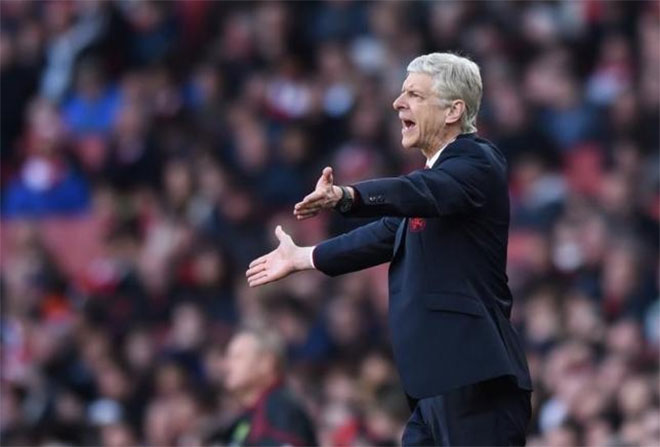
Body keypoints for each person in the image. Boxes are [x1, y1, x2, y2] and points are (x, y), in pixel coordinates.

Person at [246, 52, 533, 446]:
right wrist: (303, 257)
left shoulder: (478, 162)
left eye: (414, 95)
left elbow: (415, 192)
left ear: (454, 111)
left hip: (475, 381)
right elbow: (386, 233)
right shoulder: (439, 187)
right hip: (436, 388)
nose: (398, 103)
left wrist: (348, 196)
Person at [217, 328, 317, 446]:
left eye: (238, 357)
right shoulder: (247, 417)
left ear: (266, 363)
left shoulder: (282, 410)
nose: (226, 365)